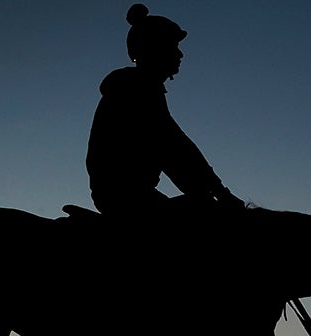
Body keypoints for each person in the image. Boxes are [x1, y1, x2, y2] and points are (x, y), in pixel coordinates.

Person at [85, 3, 244, 217]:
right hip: (127, 199)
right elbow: (174, 147)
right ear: (154, 48)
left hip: (130, 195)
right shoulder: (137, 89)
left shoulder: (138, 88)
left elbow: (175, 148)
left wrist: (215, 190)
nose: (180, 54)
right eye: (173, 46)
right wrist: (219, 193)